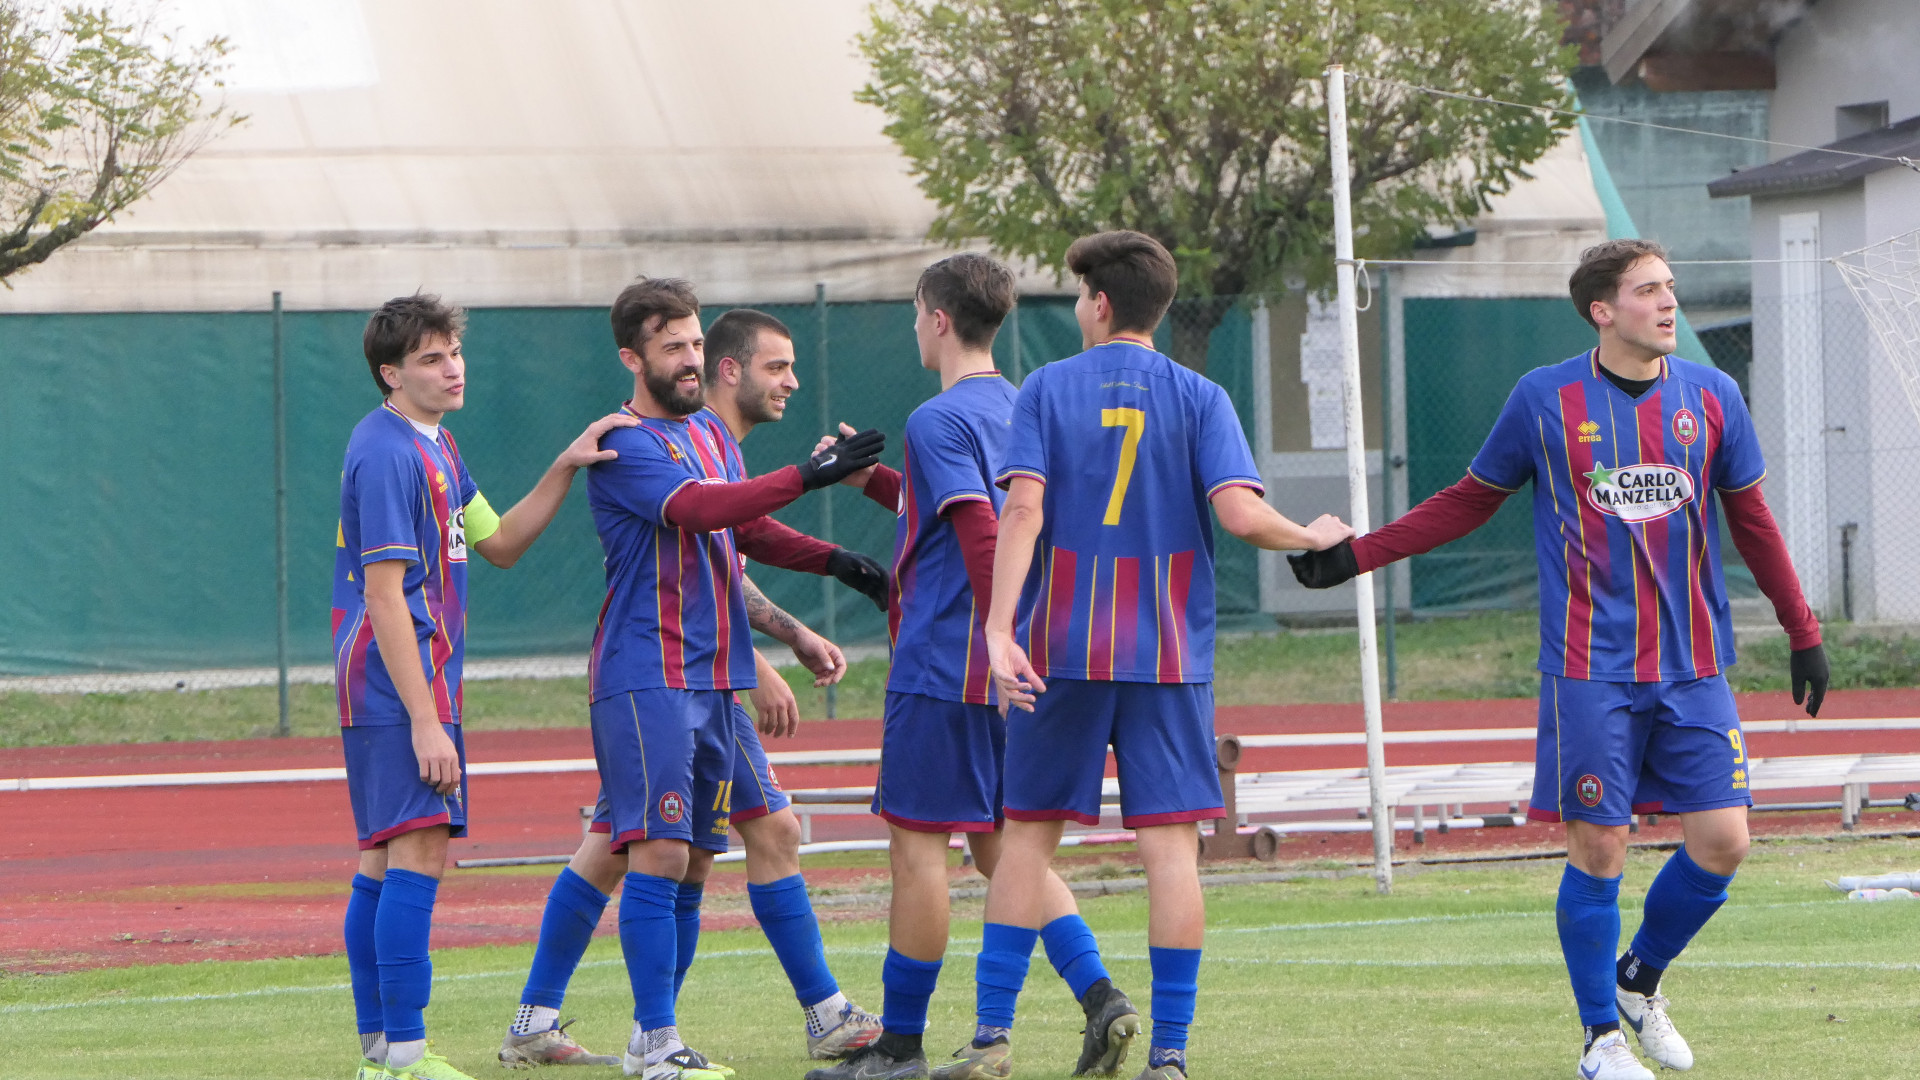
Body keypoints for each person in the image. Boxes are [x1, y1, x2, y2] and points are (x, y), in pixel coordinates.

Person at [1288, 238, 1830, 1080]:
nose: (1668, 302)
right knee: (1600, 850)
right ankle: (1599, 1042)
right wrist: (1358, 556)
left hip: (1693, 666)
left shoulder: (1714, 395)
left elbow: (1752, 519)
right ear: (1601, 310)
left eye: (1671, 287)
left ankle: (1639, 982)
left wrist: (1803, 631)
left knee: (1725, 841)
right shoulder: (1544, 399)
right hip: (1589, 670)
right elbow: (1468, 501)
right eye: (1648, 290)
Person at [966, 232, 1352, 1080]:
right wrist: (1313, 533)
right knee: (1172, 853)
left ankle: (992, 1041)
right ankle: (1170, 1056)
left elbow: (1022, 514)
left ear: (1099, 303)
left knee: (1025, 840)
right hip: (1169, 656)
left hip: (1060, 651)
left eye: (1077, 297)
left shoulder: (1043, 390)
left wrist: (999, 631)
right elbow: (1245, 518)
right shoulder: (1201, 395)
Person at [499, 306, 890, 1067]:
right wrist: (808, 476)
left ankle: (822, 1015)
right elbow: (698, 509)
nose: (688, 358)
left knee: (761, 832)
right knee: (660, 854)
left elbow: (738, 531)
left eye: (694, 343)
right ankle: (654, 1042)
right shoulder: (624, 443)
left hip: (713, 681)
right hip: (647, 678)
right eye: (670, 346)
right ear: (630, 357)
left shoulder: (706, 433)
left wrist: (839, 561)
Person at [804, 254, 1139, 1080]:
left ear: (940, 319)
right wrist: (873, 477)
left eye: (918, 312)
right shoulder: (1030, 407)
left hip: (950, 664)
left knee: (917, 852)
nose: (915, 326)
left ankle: (899, 1047)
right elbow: (971, 508)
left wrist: (996, 634)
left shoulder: (938, 417)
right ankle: (1103, 1001)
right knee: (1001, 851)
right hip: (1019, 668)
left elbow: (983, 532)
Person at [335, 292, 638, 1080]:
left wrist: (566, 464)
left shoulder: (438, 444)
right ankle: (402, 1054)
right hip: (393, 685)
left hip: (409, 682)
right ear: (390, 373)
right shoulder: (387, 451)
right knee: (418, 852)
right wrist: (425, 720)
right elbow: (381, 596)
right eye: (432, 358)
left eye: (455, 352)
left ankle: (381, 1054)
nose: (452, 366)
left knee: (384, 861)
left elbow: (499, 543)